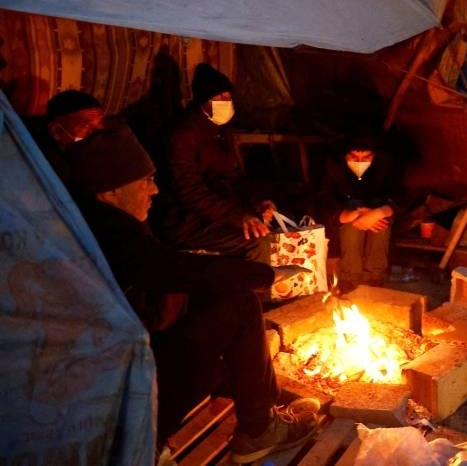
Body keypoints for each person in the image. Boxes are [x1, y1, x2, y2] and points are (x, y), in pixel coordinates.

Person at [65, 123, 318, 462]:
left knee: (221, 304)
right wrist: (267, 274)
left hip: (123, 359)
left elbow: (164, 273)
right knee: (239, 303)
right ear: (109, 192)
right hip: (115, 384)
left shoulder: (100, 220)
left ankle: (254, 396)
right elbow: (167, 268)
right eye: (145, 182)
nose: (154, 190)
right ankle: (257, 429)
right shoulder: (108, 233)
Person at [157, 63, 275, 263]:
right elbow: (190, 192)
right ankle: (255, 293)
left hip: (216, 214)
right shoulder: (183, 135)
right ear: (203, 100)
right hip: (187, 221)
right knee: (257, 241)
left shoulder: (220, 131)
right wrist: (238, 216)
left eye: (228, 97)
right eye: (219, 97)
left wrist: (258, 202)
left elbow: (233, 176)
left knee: (270, 227)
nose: (226, 102)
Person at [319, 129, 396, 291]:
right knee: (352, 228)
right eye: (354, 157)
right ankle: (350, 280)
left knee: (380, 225)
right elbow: (323, 201)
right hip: (345, 217)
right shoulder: (334, 171)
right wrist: (347, 215)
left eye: (366, 157)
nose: (360, 162)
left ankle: (375, 279)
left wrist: (379, 212)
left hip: (377, 210)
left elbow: (400, 197)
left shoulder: (385, 170)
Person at [38, 89, 107, 190]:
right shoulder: (55, 167)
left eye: (100, 121)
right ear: (56, 130)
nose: (99, 129)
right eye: (85, 124)